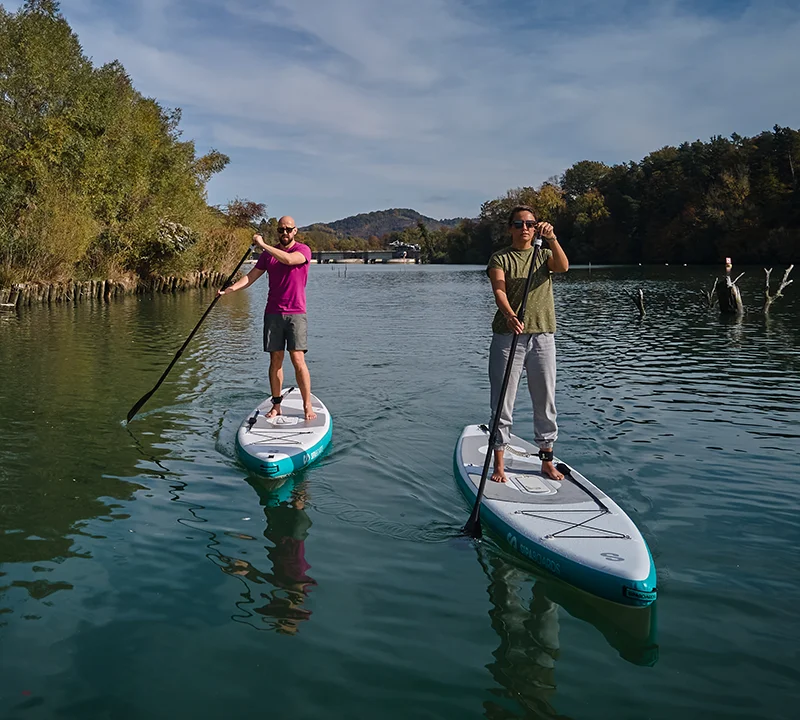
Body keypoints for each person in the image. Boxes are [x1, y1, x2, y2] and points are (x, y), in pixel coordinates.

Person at [486, 205, 569, 483]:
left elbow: (563, 266)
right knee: (502, 402)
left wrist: (553, 239)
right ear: (510, 228)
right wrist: (510, 315)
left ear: (536, 228)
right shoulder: (500, 258)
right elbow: (499, 289)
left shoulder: (544, 254)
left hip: (543, 336)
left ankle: (547, 461)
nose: (525, 228)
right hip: (508, 338)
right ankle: (499, 463)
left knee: (545, 401)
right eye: (519, 224)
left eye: (530, 224)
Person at [219, 216, 316, 421]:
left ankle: (307, 405)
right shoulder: (267, 256)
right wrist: (231, 289)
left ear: (295, 231)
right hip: (273, 313)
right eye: (281, 230)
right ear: (277, 231)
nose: (285, 233)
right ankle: (276, 405)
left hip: (296, 313)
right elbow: (251, 277)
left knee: (298, 359)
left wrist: (262, 245)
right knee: (275, 360)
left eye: (288, 229)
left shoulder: (303, 250)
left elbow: (289, 260)